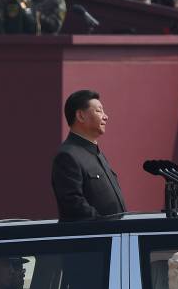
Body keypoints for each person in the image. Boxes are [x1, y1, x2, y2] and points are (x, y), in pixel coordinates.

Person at [52, 90, 126, 221]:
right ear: (80, 116)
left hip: (113, 236)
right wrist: (105, 225)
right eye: (99, 111)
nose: (105, 117)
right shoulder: (67, 156)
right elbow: (73, 205)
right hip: (94, 238)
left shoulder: (96, 153)